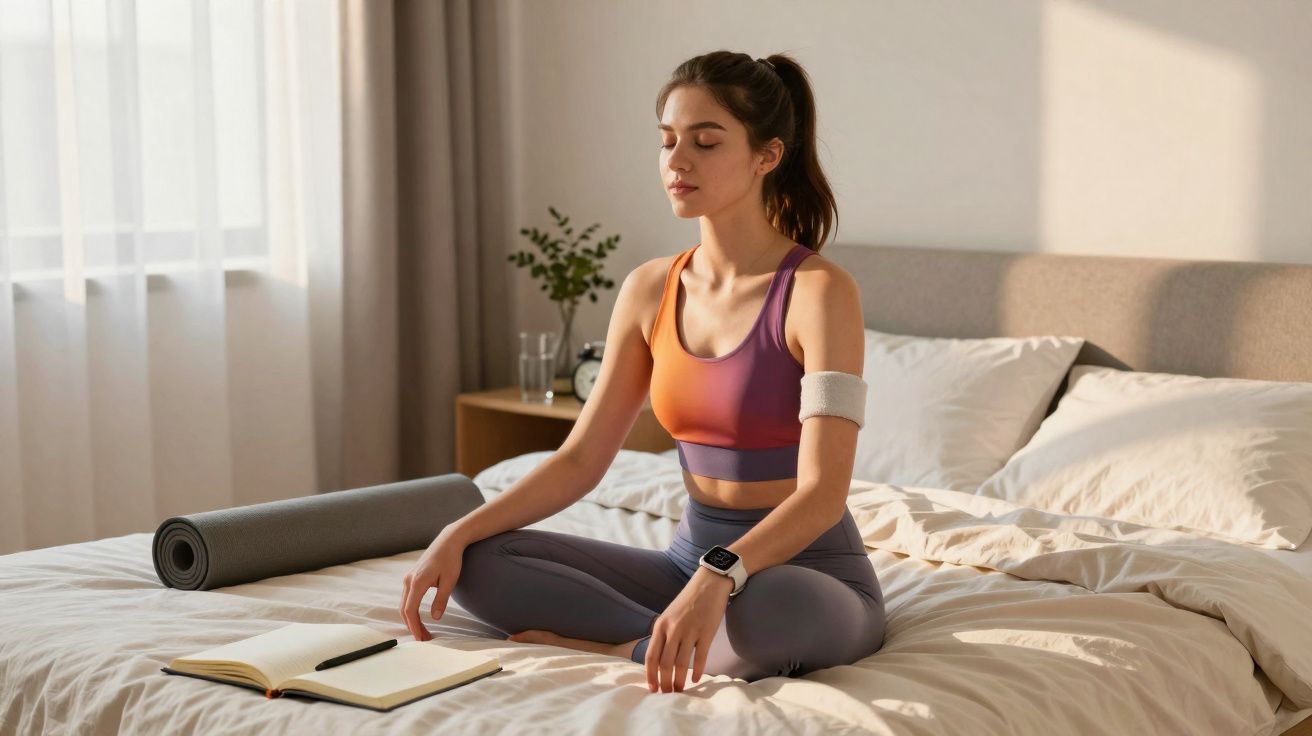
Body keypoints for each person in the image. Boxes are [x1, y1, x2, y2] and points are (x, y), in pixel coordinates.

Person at [399, 49, 884, 695]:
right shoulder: (649, 287)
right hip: (686, 565)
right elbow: (581, 460)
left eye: (705, 143)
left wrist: (718, 577)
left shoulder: (821, 291)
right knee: (480, 561)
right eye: (667, 142)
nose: (677, 162)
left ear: (767, 156)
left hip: (808, 574)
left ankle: (628, 642)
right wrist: (456, 532)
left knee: (772, 612)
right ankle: (673, 638)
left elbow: (823, 494)